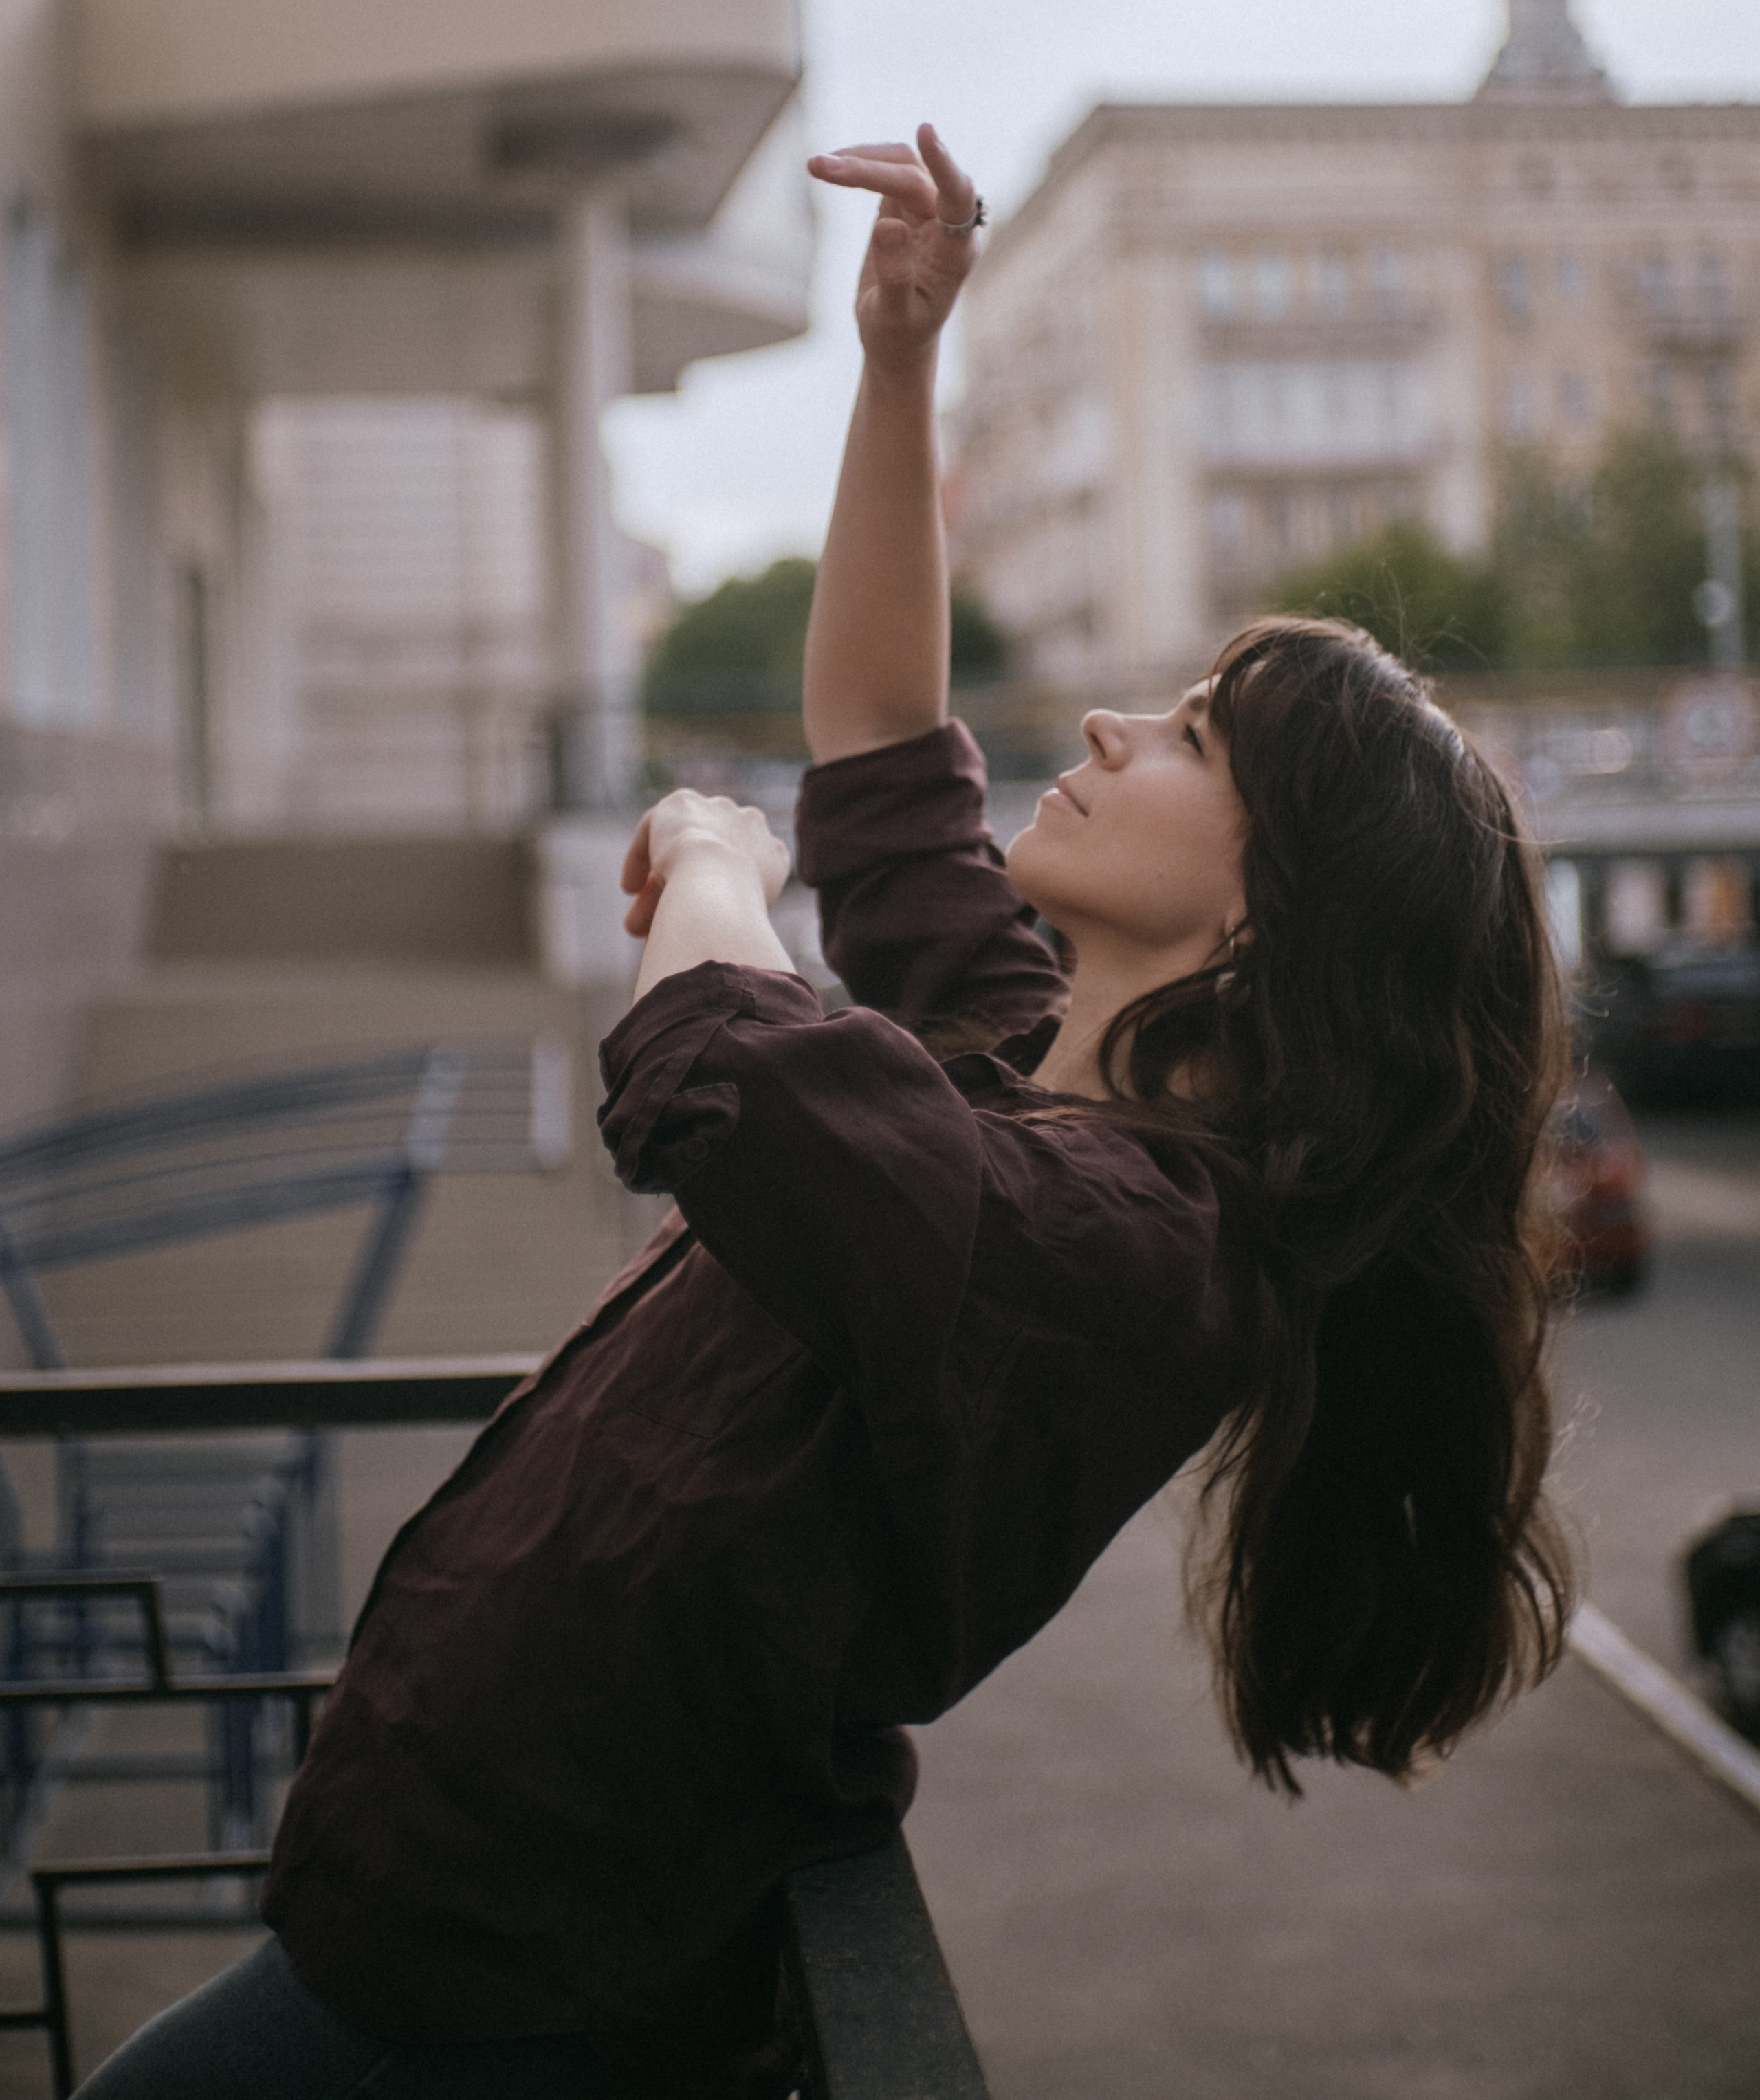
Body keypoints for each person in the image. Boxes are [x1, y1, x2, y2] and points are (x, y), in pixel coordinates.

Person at [79, 126, 1572, 2099]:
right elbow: (878, 740)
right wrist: (898, 361)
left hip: (521, 1946)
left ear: (1266, 915)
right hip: (457, 1875)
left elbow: (720, 1068)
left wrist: (715, 859)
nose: (1112, 723)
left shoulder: (1134, 1251)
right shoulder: (1025, 1054)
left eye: (1193, 738)